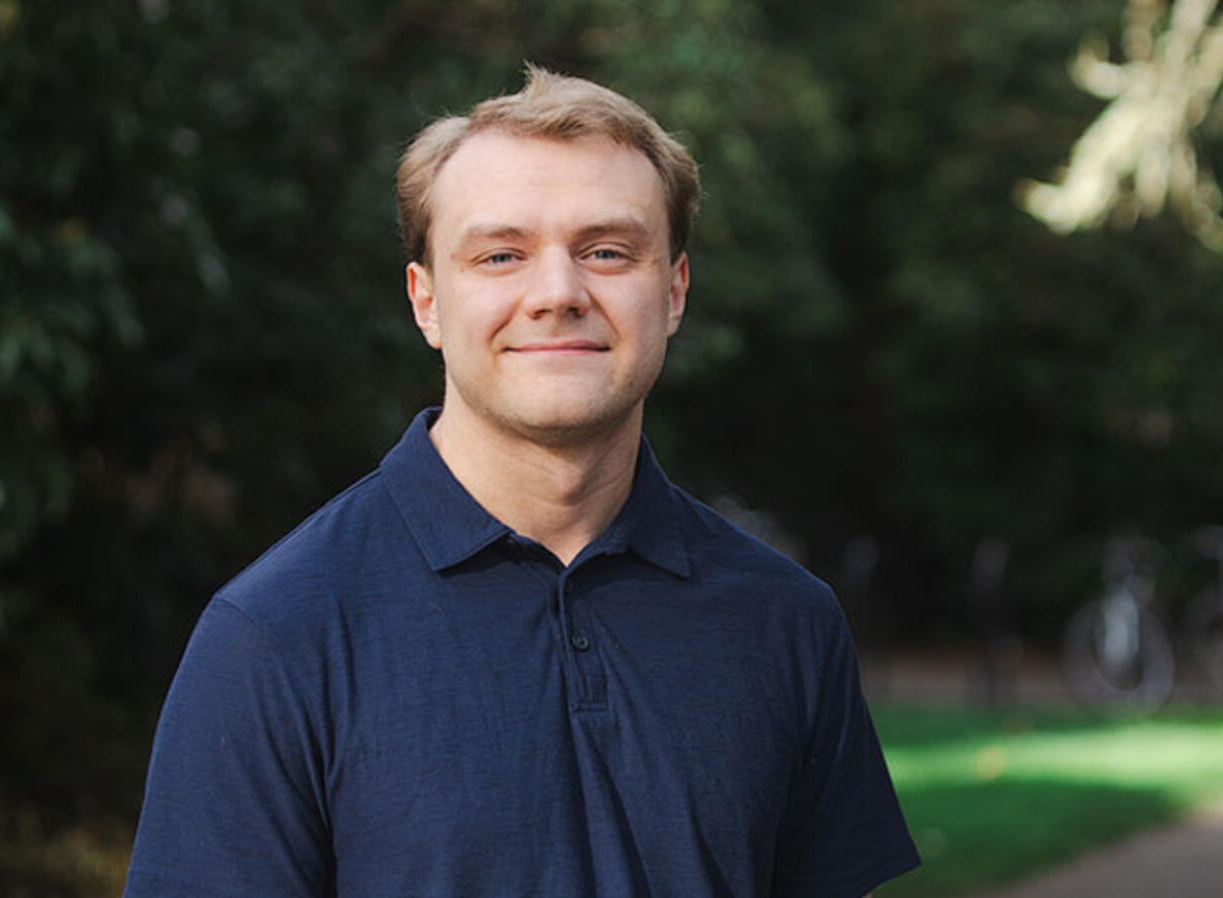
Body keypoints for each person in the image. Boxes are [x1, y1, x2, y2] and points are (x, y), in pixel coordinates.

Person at [124, 64, 920, 898]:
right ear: (426, 301)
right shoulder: (276, 635)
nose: (557, 294)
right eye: (501, 254)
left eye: (607, 252)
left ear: (674, 290)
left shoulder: (784, 621)